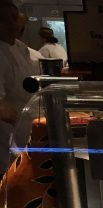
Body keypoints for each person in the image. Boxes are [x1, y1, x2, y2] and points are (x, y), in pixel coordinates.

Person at [0, 0, 39, 169]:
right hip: (6, 140)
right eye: (3, 19)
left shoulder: (19, 47)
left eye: (14, 18)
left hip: (25, 135)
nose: (12, 24)